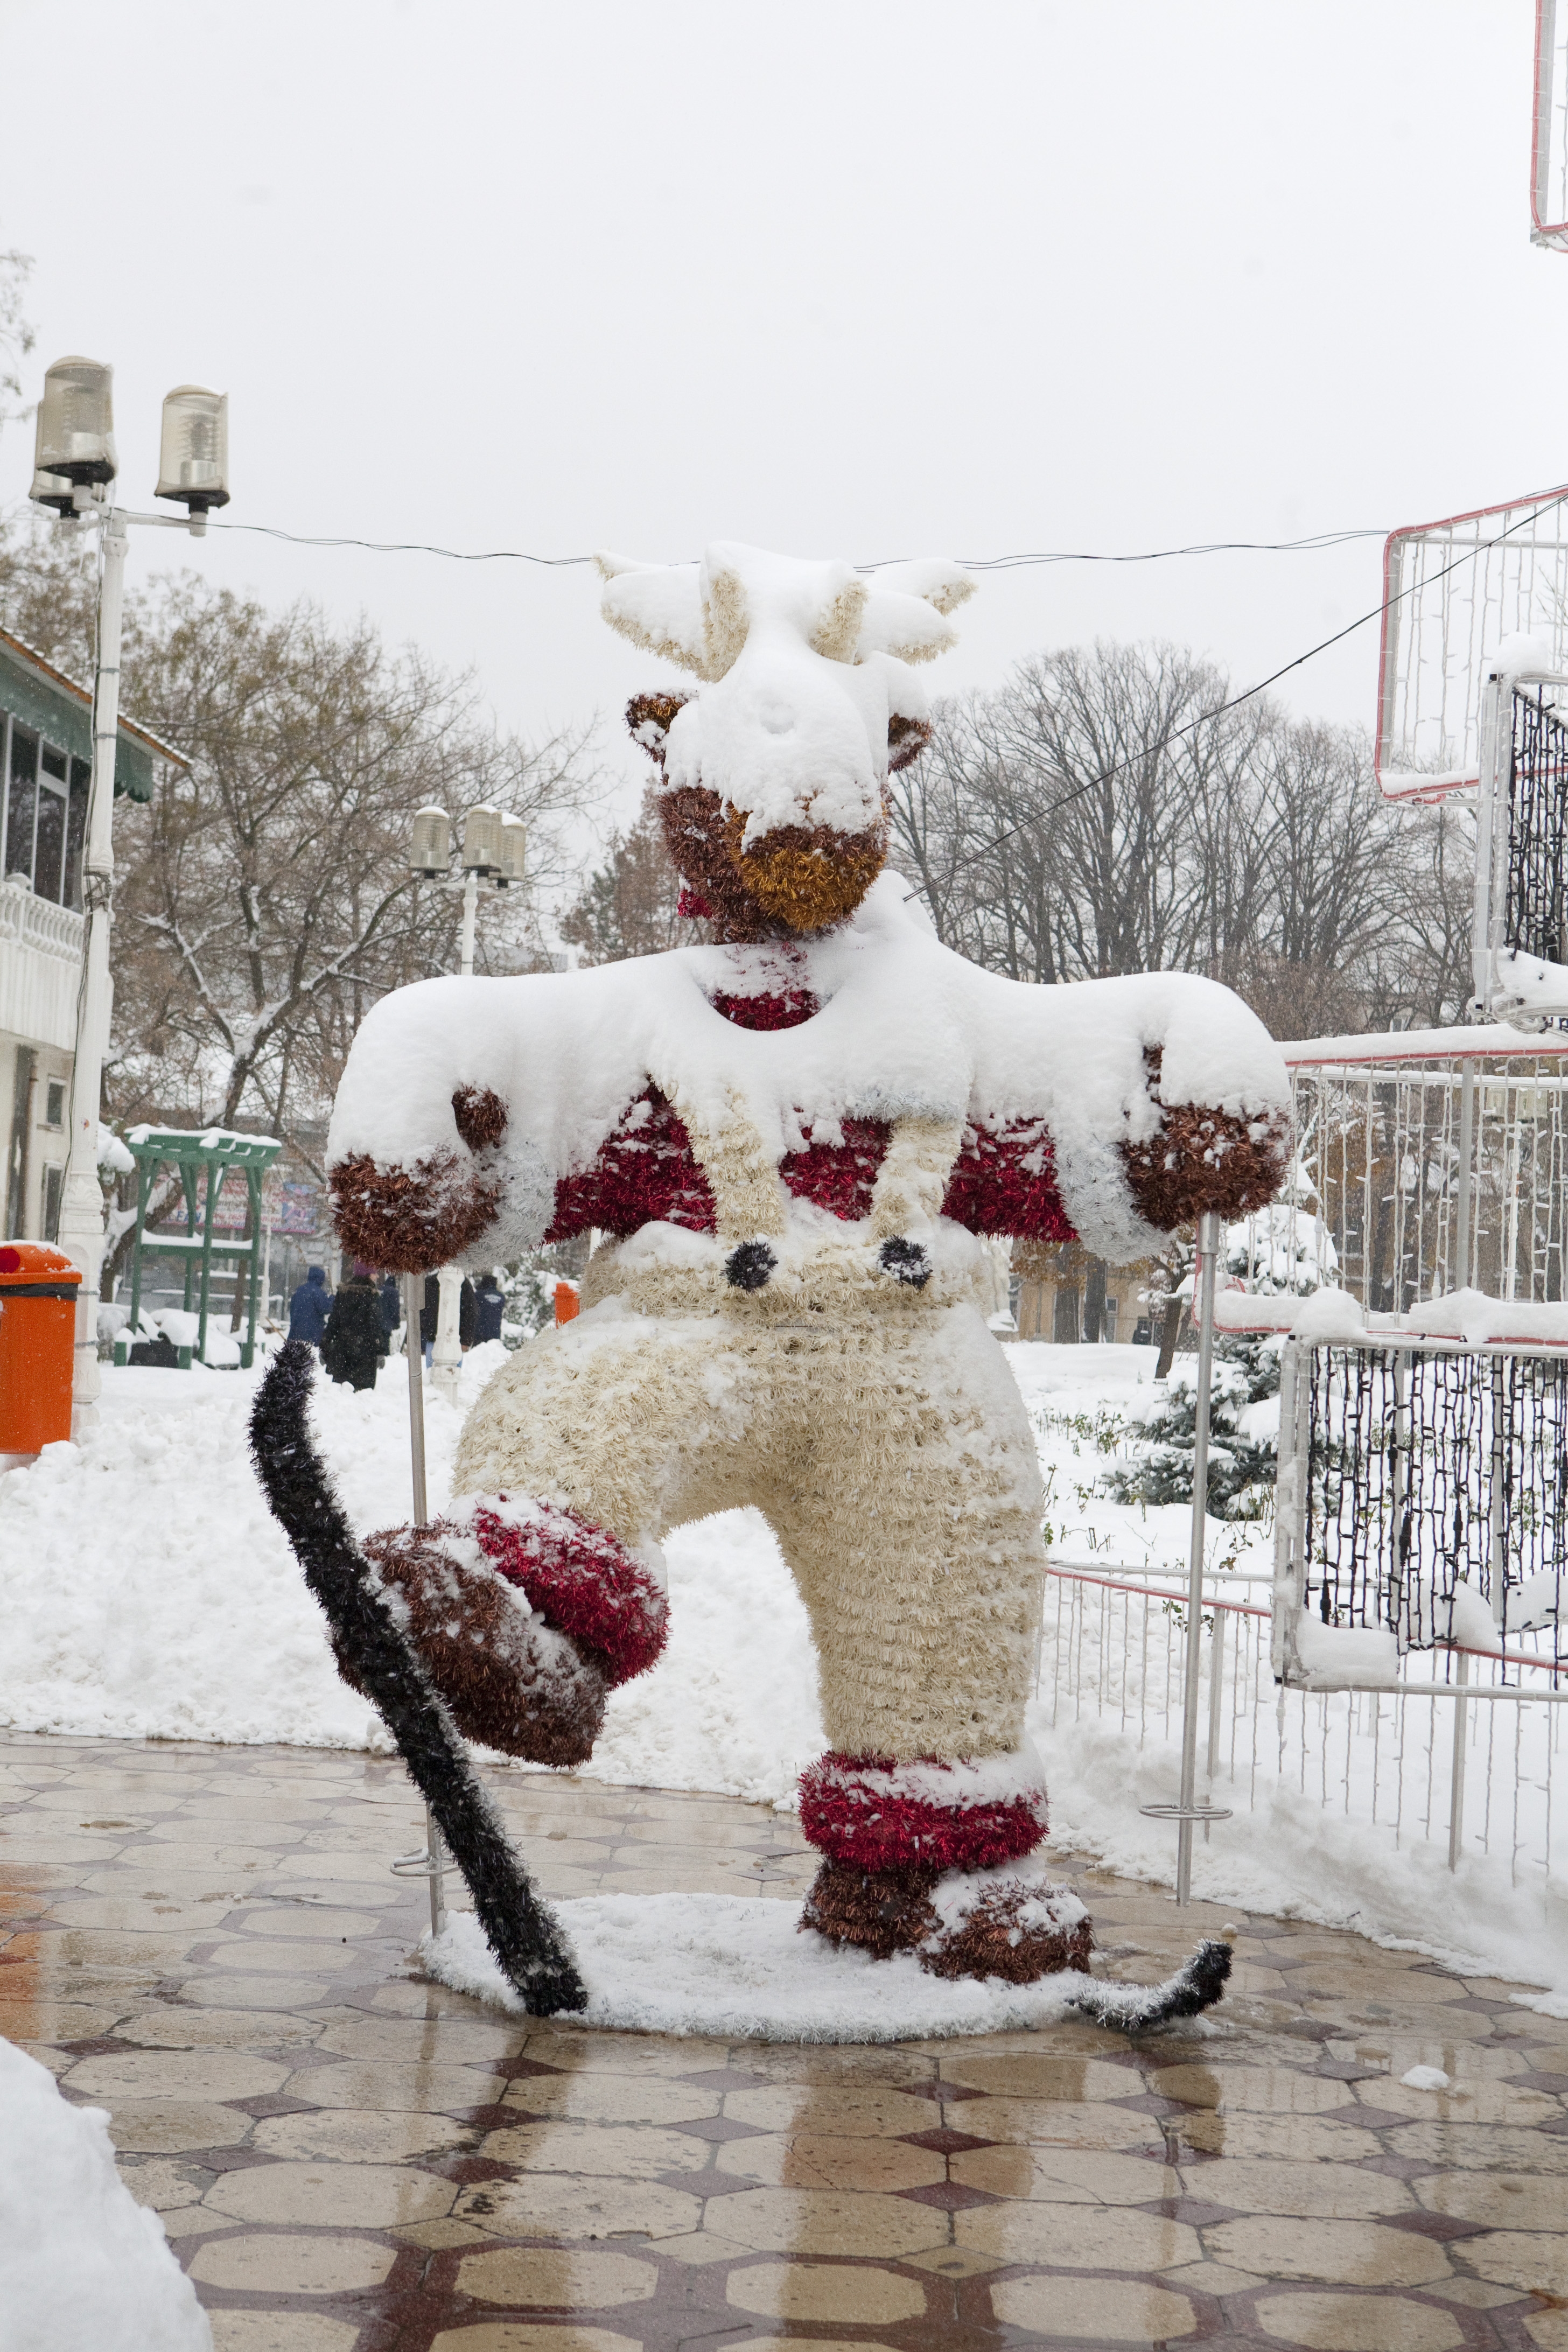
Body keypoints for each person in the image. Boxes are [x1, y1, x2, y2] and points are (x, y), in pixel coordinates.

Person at [321, 1263, 384, 1391]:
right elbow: (375, 1326)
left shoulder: (343, 1293)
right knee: (362, 1395)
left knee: (342, 1396)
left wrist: (325, 1346)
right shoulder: (372, 1295)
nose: (377, 1276)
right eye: (374, 1272)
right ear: (367, 1274)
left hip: (342, 1352)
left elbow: (334, 1322)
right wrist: (380, 1350)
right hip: (365, 1353)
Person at [419, 1272, 477, 1366]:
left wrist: (465, 1341)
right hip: (433, 1338)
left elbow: (471, 1313)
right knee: (433, 1374)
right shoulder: (430, 1282)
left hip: (453, 1340)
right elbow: (420, 1312)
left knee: (451, 1373)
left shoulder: (463, 1283)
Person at [286, 1265, 332, 1350]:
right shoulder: (319, 1293)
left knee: (297, 1358)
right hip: (312, 1335)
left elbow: (292, 1309)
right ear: (321, 1279)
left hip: (295, 1333)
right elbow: (326, 1308)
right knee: (310, 1358)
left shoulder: (299, 1290)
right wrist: (332, 1299)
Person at [473, 1272, 506, 1345]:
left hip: (479, 1332)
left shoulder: (479, 1295)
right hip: (495, 1332)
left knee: (477, 1353)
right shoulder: (502, 1297)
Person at [377, 1273, 402, 1355]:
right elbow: (395, 1308)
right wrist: (397, 1323)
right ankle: (385, 1355)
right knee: (386, 1340)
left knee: (379, 1339)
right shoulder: (394, 1292)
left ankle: (379, 1354)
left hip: (379, 1319)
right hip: (388, 1321)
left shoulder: (380, 1289)